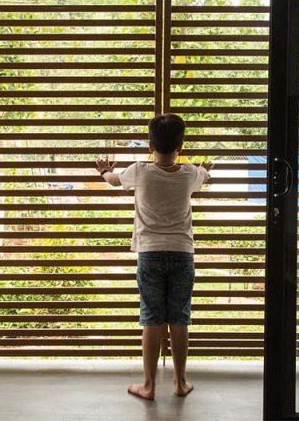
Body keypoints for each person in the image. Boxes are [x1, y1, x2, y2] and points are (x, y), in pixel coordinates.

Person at [95, 114, 211, 401]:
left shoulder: (139, 171)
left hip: (149, 253)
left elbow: (112, 180)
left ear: (150, 145)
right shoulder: (189, 174)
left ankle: (148, 386)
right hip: (182, 253)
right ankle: (180, 382)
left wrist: (103, 171)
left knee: (151, 318)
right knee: (180, 318)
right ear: (180, 146)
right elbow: (205, 176)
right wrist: (204, 169)